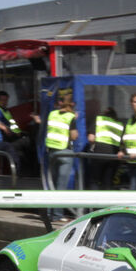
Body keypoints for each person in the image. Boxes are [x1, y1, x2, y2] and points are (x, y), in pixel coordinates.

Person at [44, 94, 78, 222]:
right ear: (72, 104)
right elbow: (73, 136)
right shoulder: (71, 117)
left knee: (51, 184)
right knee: (61, 186)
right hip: (65, 152)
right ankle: (57, 215)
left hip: (52, 151)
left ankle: (48, 213)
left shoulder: (52, 114)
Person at [86, 106, 123, 189]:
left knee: (94, 180)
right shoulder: (119, 124)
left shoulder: (99, 120)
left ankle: (94, 200)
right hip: (113, 156)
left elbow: (91, 138)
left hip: (99, 153)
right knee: (107, 181)